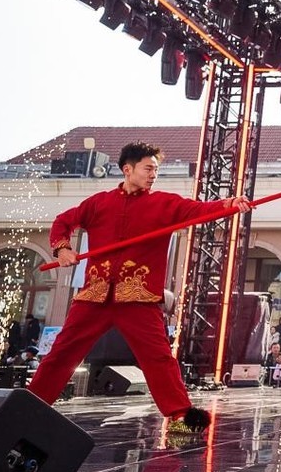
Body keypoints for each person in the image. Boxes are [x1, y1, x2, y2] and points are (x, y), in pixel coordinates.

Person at [30, 141, 251, 432]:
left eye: (155, 170)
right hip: (94, 296)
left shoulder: (164, 204)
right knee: (62, 352)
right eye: (148, 169)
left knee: (158, 357)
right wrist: (62, 249)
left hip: (138, 298)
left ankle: (180, 415)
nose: (153, 175)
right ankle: (29, 406)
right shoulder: (98, 203)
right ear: (128, 169)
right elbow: (63, 221)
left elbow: (198, 210)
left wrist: (229, 205)